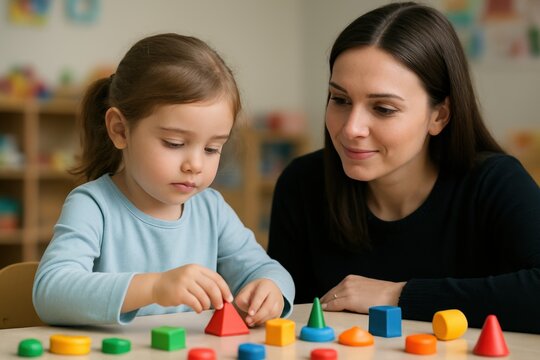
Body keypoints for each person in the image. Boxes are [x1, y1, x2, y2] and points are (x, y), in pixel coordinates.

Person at [267, 2, 540, 334]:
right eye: (340, 100)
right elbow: (286, 317)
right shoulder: (302, 183)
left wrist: (396, 294)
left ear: (439, 115)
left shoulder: (494, 182)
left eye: (382, 108)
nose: (351, 128)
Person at [33, 33, 294, 326]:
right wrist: (154, 287)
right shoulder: (93, 205)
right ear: (120, 130)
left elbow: (265, 269)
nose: (195, 165)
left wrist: (270, 289)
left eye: (212, 148)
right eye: (174, 143)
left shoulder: (211, 209)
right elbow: (51, 292)